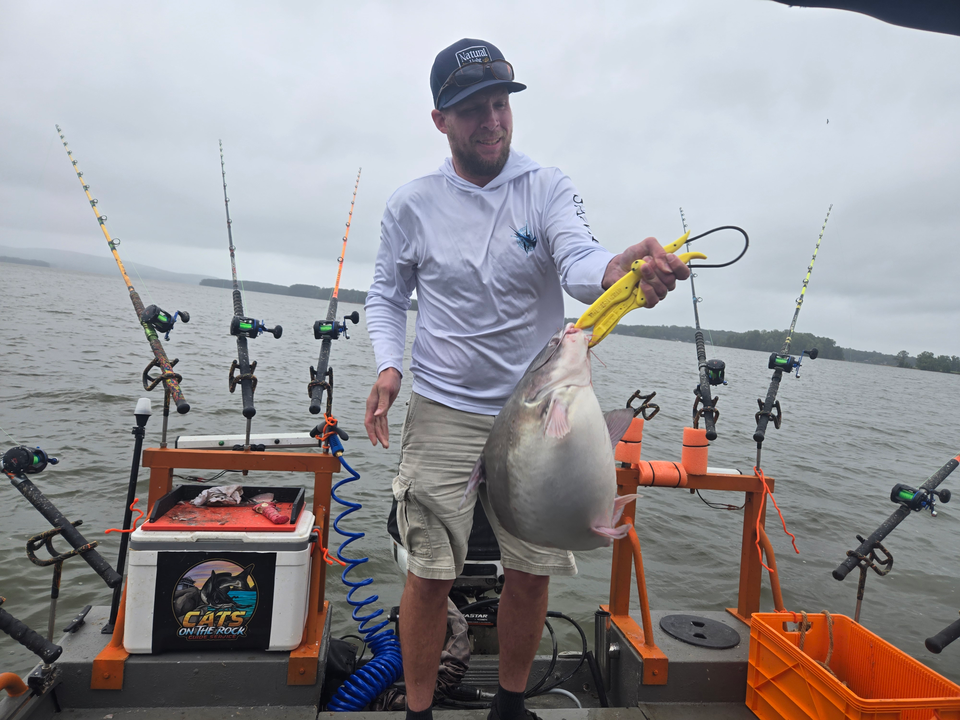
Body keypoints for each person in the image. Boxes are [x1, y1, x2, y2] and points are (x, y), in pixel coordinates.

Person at [364, 38, 690, 720]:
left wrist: (619, 271)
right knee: (429, 573)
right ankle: (417, 712)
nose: (493, 122)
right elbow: (386, 297)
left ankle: (509, 706)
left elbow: (578, 258)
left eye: (500, 105)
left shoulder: (547, 186)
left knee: (530, 568)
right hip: (445, 409)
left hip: (540, 409)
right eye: (473, 110)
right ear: (440, 121)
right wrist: (390, 365)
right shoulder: (411, 205)